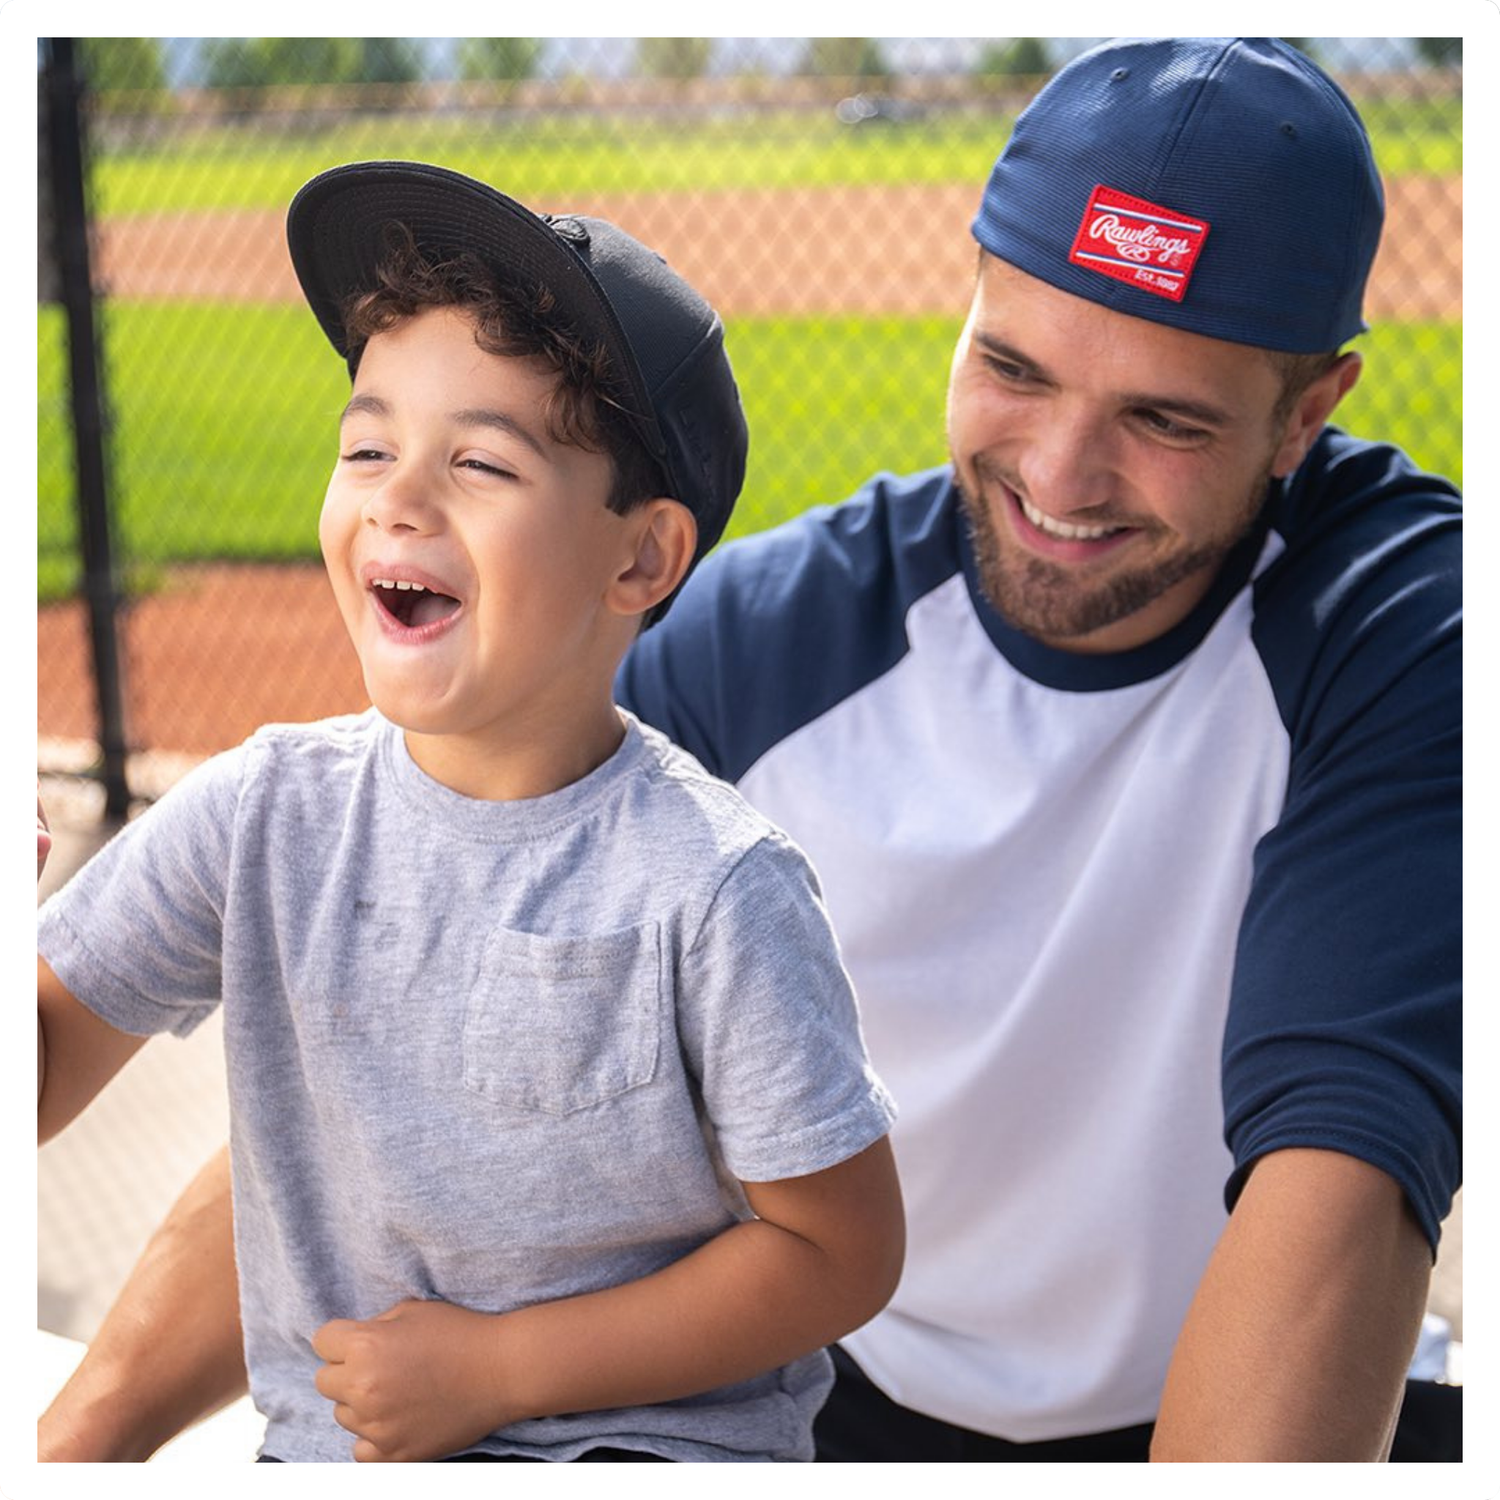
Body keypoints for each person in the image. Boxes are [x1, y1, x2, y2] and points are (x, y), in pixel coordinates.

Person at [38, 36, 1461, 1463]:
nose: (1060, 473)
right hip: (817, 1388)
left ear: (1307, 413)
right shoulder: (766, 640)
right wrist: (77, 1445)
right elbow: (396, 1088)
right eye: (1016, 367)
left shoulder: (1401, 642)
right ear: (966, 303)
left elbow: (1339, 1165)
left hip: (1186, 1400)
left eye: (1163, 417)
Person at [36, 160, 904, 1464]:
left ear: (641, 555)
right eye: (368, 445)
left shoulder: (714, 888)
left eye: (480, 462)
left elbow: (841, 1252)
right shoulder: (263, 815)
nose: (397, 494)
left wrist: (502, 1369)